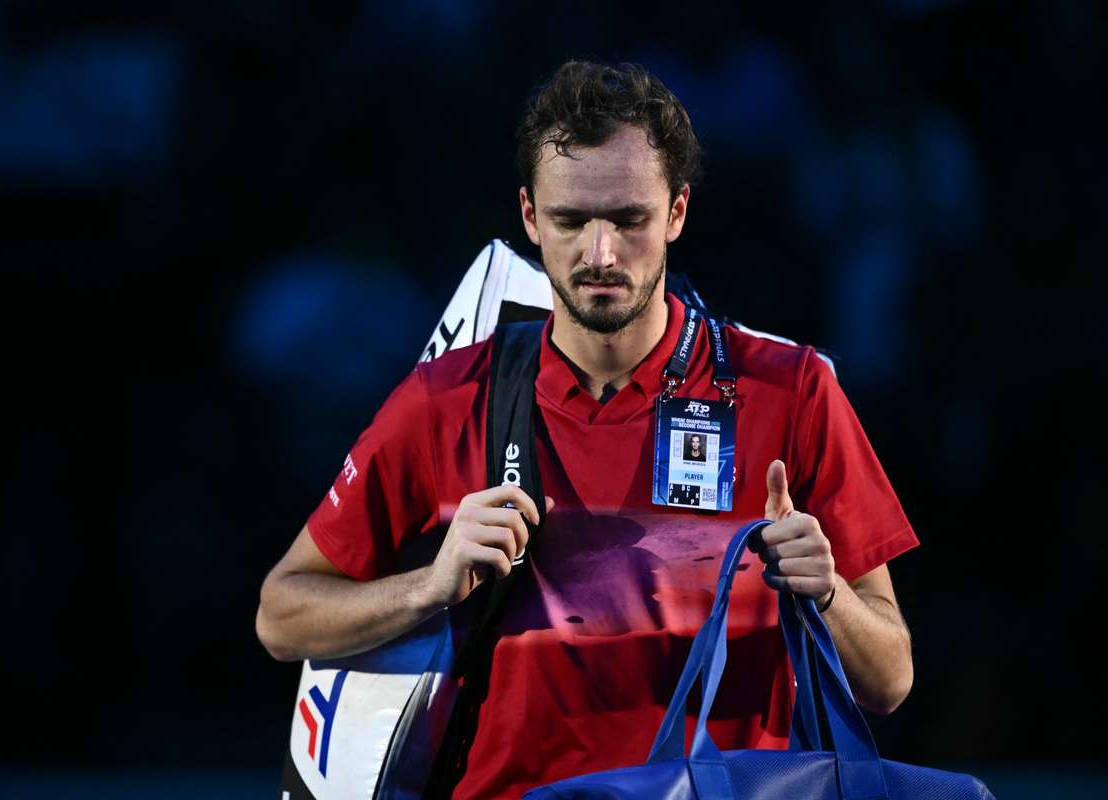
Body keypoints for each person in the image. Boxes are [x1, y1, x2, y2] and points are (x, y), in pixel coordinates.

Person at [256, 60, 917, 798]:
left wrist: (827, 594)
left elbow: (889, 678)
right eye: (572, 221)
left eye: (630, 219)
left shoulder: (791, 389)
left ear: (677, 213)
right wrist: (428, 587)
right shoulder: (445, 397)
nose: (600, 255)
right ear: (531, 216)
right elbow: (283, 615)